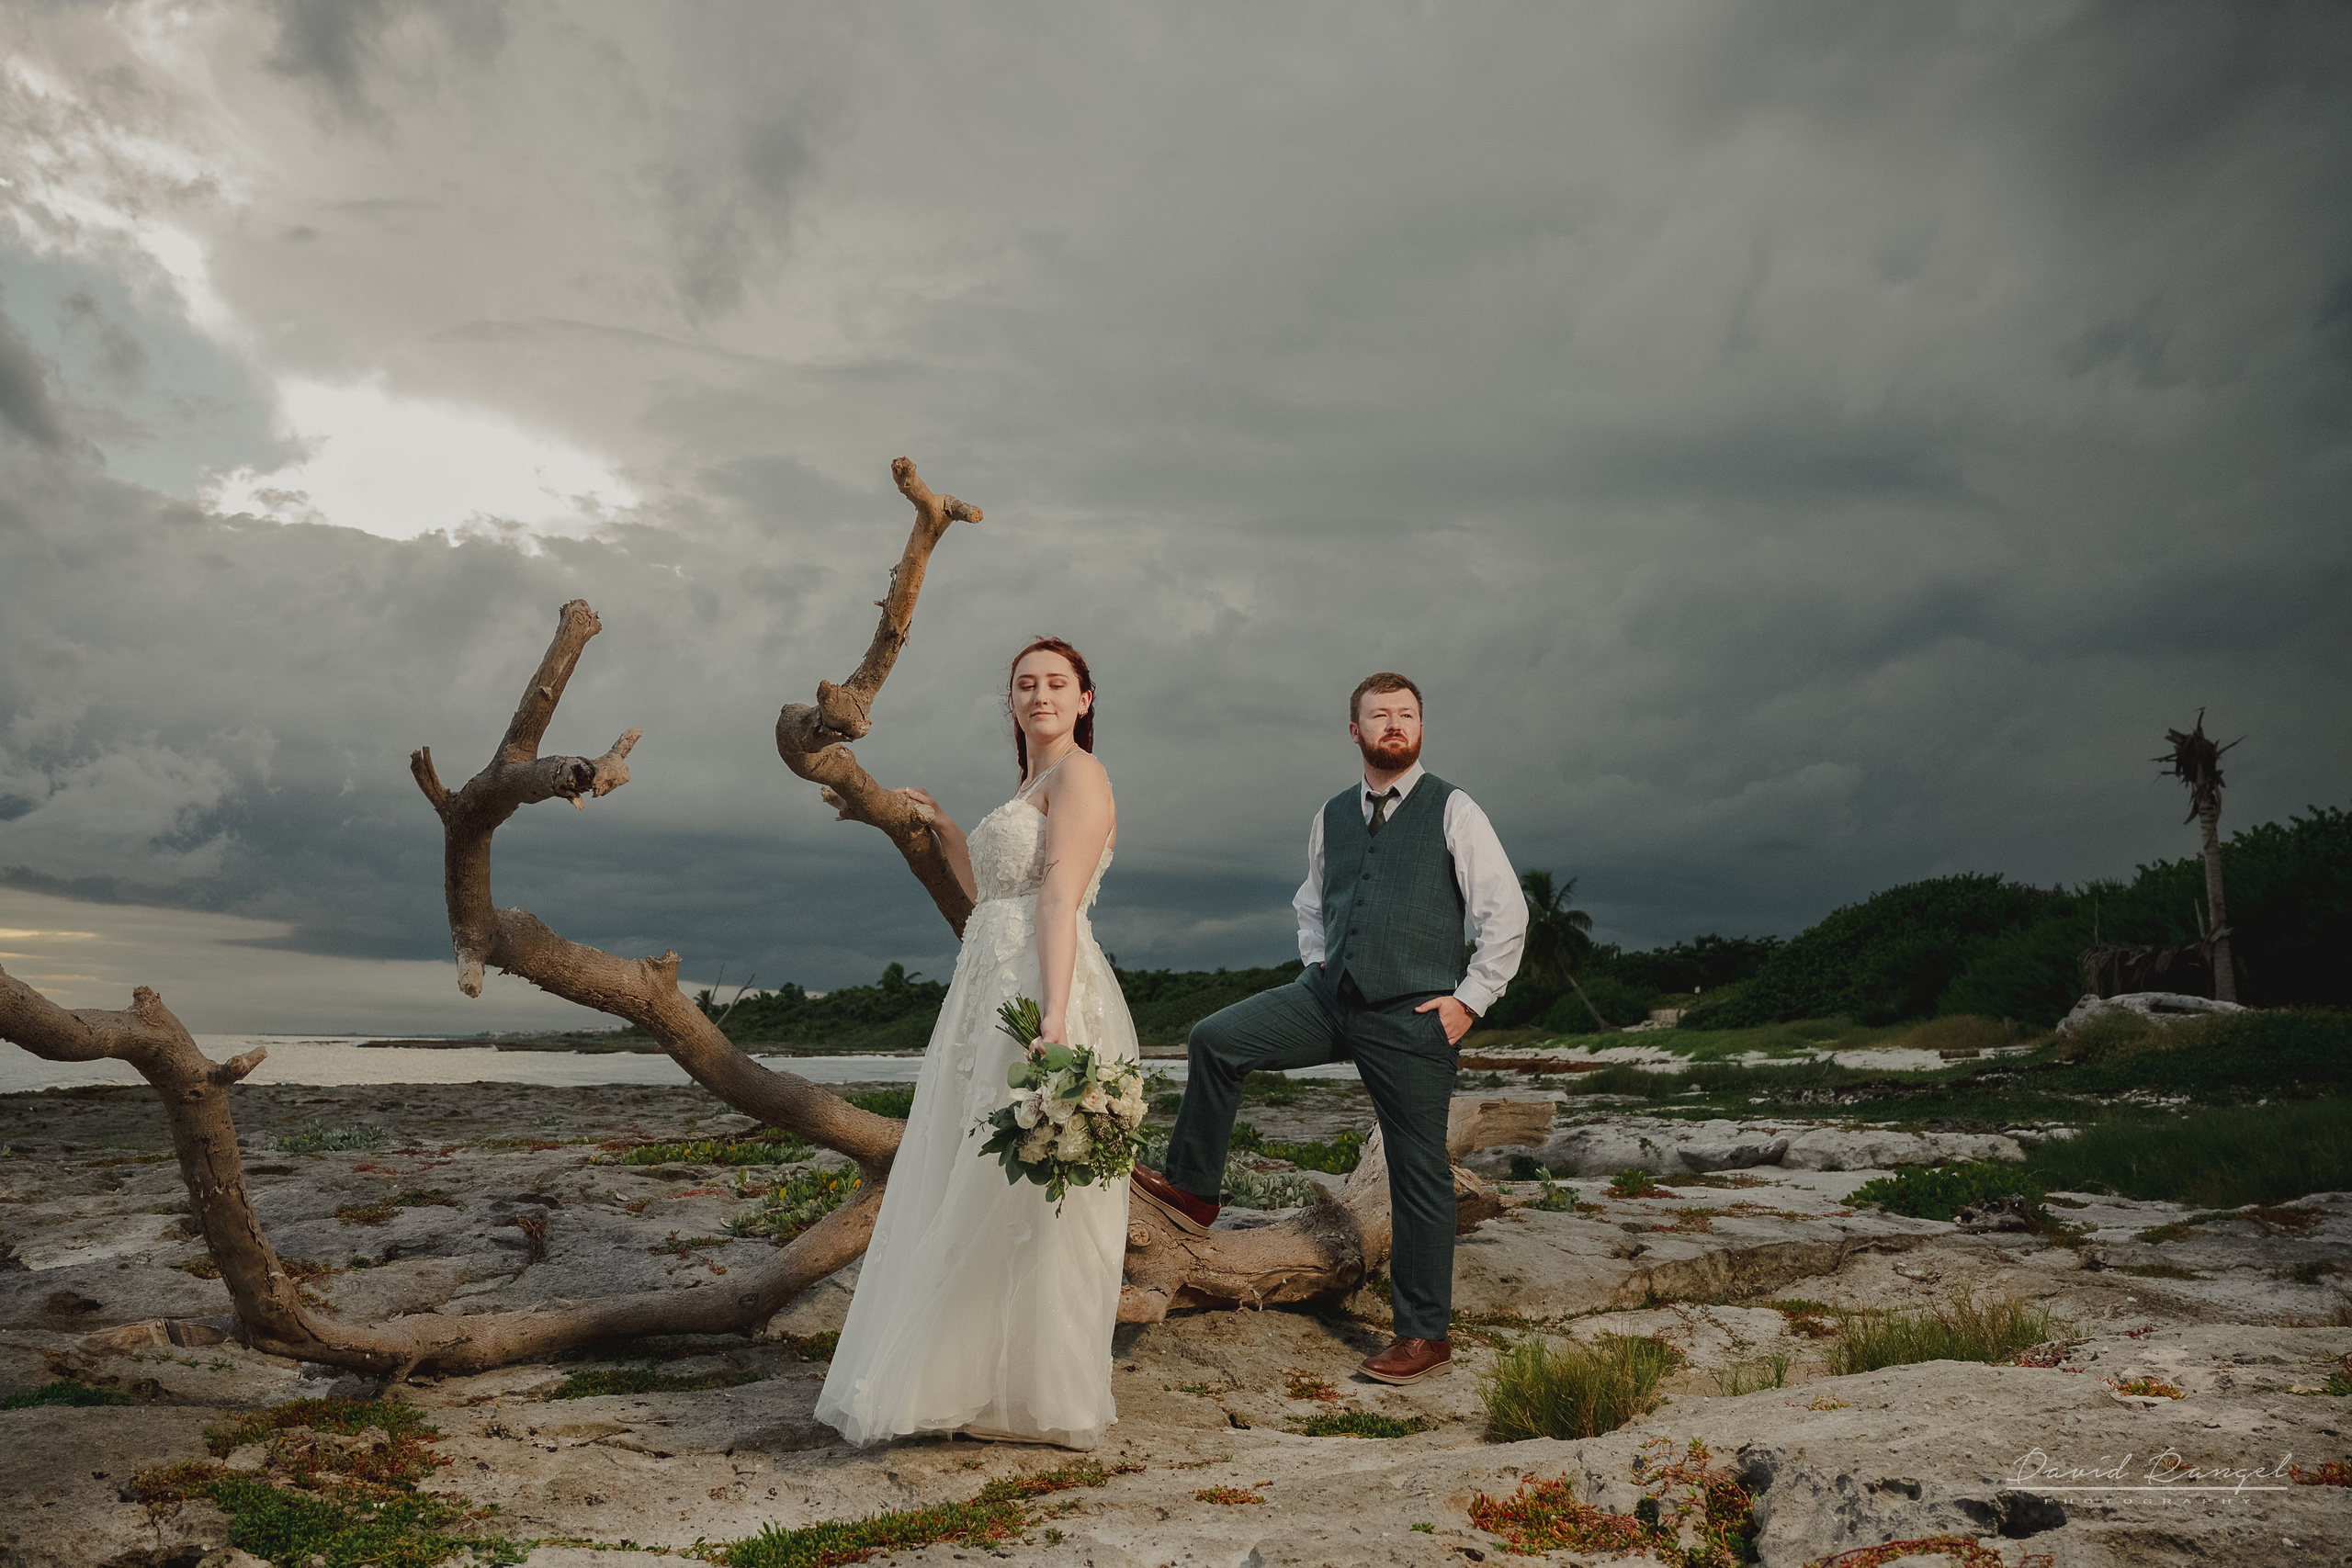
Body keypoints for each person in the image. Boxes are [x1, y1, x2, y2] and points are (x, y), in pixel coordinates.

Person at [1132, 672, 1524, 1385]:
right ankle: (1193, 1190)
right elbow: (1311, 902)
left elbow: (1507, 913)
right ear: (1355, 731)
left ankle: (1424, 1336)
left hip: (1411, 1013)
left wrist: (1469, 1001)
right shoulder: (1332, 813)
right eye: (1380, 715)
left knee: (1418, 1171)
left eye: (1407, 714)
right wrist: (1319, 959)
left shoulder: (1454, 809)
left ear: (1421, 728)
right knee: (1215, 1039)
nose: (1395, 724)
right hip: (1327, 997)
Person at [816, 637, 1135, 1450]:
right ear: (1011, 701)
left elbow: (1057, 901)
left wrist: (1053, 1019)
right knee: (973, 1174)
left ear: (1085, 699)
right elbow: (992, 896)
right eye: (1026, 683)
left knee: (1019, 1190)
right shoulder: (1029, 784)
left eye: (1057, 683)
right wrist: (952, 831)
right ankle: (971, 1378)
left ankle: (1036, 1392)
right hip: (987, 990)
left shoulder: (1081, 776)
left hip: (1040, 989)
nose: (1040, 695)